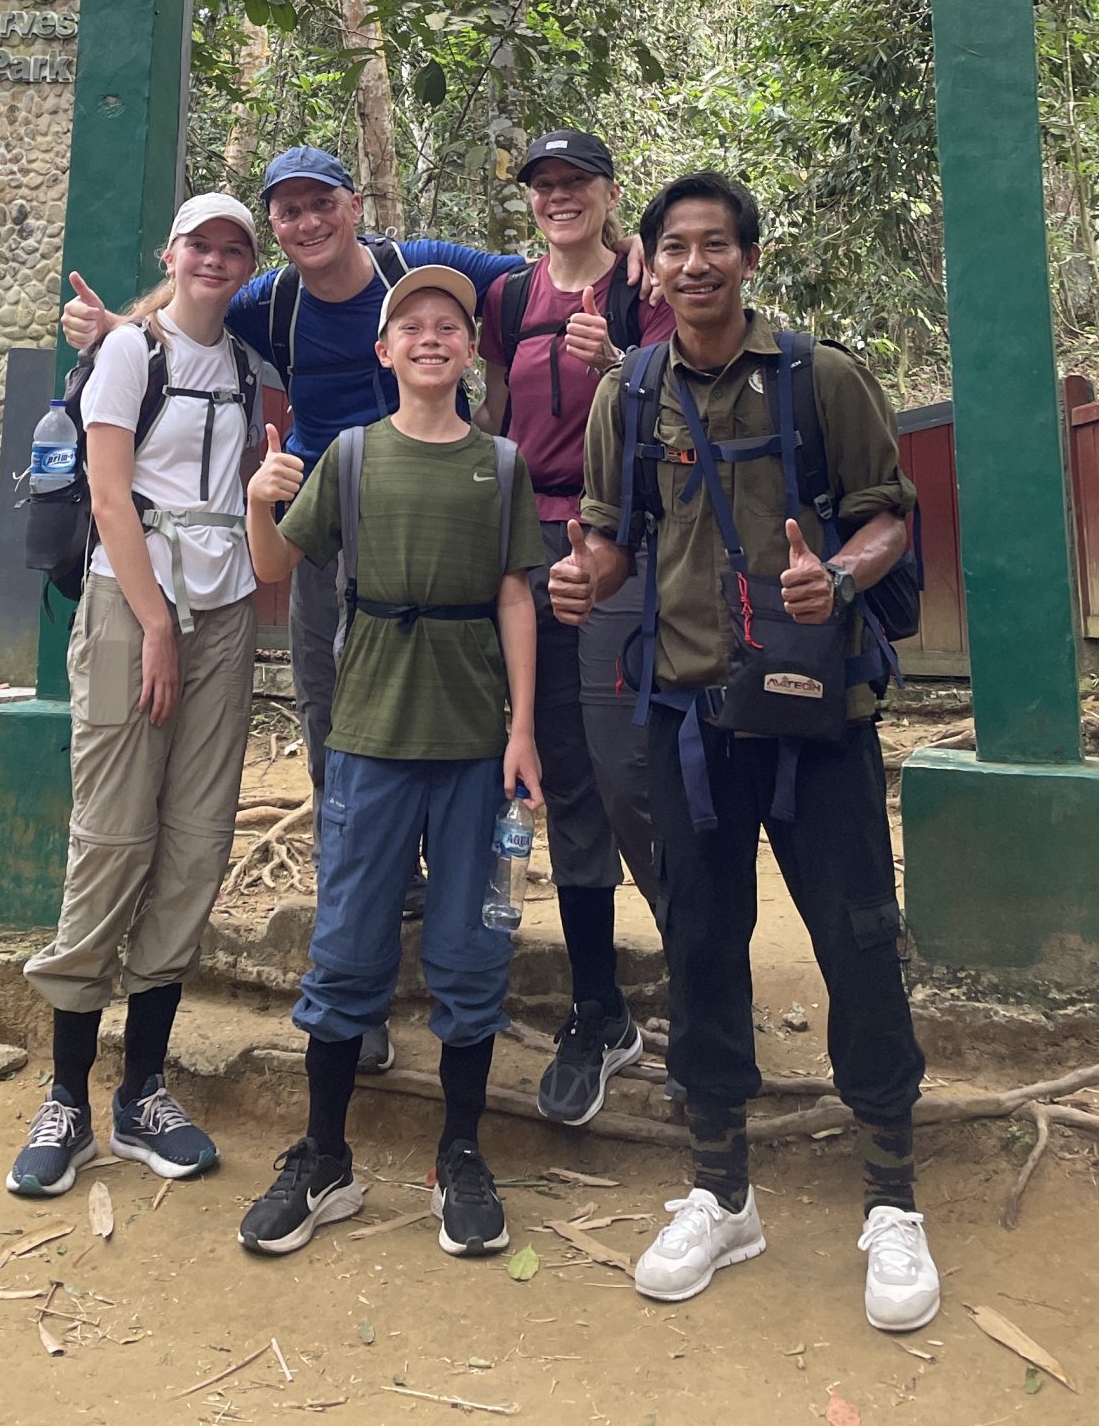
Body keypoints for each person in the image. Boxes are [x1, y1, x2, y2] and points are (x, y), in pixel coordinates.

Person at [549, 171, 938, 1333]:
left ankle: (892, 1199)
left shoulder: (822, 376)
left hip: (820, 725)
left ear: (750, 260)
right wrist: (584, 577)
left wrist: (843, 573)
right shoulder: (633, 390)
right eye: (675, 248)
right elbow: (617, 541)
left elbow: (888, 513)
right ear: (652, 266)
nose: (695, 265)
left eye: (717, 246)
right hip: (690, 723)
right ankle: (720, 1188)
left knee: (860, 942)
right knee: (704, 947)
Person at [63, 145, 525, 1072]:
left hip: (366, 544)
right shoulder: (258, 304)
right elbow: (175, 334)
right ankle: (355, 971)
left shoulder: (411, 269)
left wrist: (627, 258)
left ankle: (447, 944)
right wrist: (115, 328)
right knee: (321, 729)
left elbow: (537, 277)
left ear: (354, 207)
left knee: (445, 727)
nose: (306, 224)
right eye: (287, 213)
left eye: (322, 205)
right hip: (258, 553)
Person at [237, 267, 545, 1259]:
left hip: (472, 750)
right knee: (346, 948)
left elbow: (513, 597)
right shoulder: (353, 457)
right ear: (383, 350)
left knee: (470, 951)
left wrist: (524, 728)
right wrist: (258, 499)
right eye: (408, 324)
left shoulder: (498, 466)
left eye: (447, 325)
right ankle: (324, 1154)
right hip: (368, 742)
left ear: (469, 352)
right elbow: (277, 569)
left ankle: (461, 1151)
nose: (428, 336)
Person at [10, 193, 267, 1199]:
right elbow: (110, 493)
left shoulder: (247, 365)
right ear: (173, 251)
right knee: (113, 834)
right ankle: (67, 1094)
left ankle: (144, 1088)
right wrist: (157, 621)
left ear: (247, 265)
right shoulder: (132, 351)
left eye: (233, 247)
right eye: (200, 243)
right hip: (132, 606)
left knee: (197, 839)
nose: (215, 259)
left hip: (229, 608)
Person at [471, 130, 672, 1128]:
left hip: (622, 544)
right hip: (529, 544)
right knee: (565, 769)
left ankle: (708, 996)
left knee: (633, 767)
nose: (559, 199)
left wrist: (625, 358)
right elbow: (502, 413)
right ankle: (599, 1008)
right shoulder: (508, 299)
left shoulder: (645, 293)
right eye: (544, 186)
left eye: (575, 184)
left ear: (608, 193)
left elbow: (690, 410)